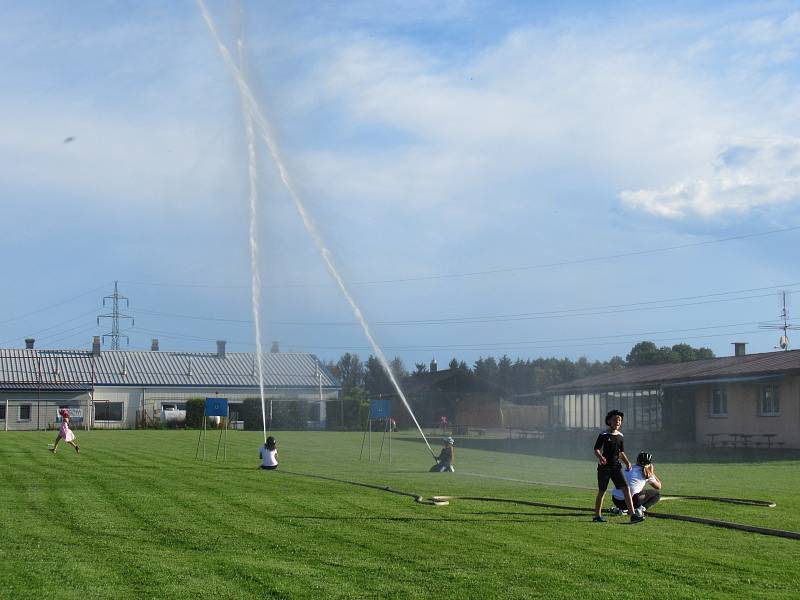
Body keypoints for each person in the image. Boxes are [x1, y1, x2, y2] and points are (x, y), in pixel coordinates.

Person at [593, 410, 643, 523]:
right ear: (609, 421)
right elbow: (596, 449)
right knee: (602, 491)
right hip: (604, 467)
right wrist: (601, 457)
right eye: (615, 419)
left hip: (616, 467)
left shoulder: (620, 436)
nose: (618, 422)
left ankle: (633, 515)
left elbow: (620, 452)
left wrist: (627, 463)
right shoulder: (603, 435)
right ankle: (597, 516)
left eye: (620, 420)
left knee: (626, 488)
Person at [611, 452, 662, 518]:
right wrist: (652, 473)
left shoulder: (629, 468)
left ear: (637, 460)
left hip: (616, 500)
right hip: (633, 501)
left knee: (637, 489)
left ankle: (623, 510)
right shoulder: (646, 473)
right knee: (657, 494)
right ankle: (640, 509)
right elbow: (658, 486)